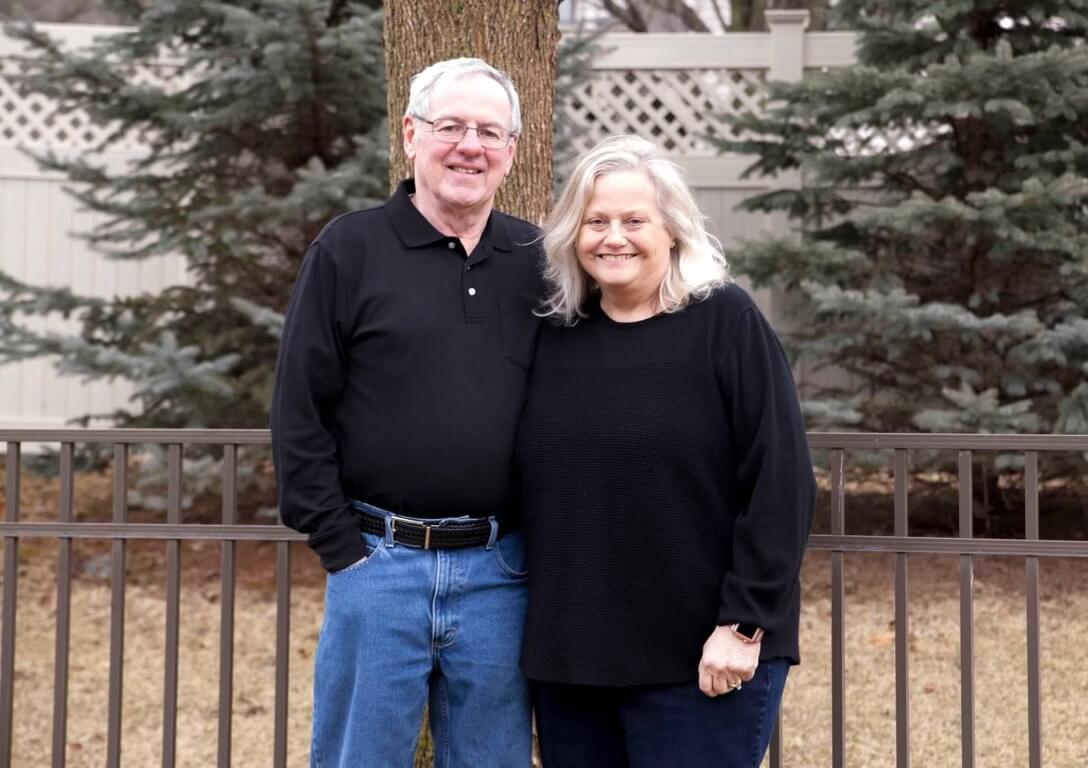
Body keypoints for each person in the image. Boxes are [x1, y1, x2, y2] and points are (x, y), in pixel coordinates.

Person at [271, 57, 542, 768]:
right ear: (411, 135)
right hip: (378, 564)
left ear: (512, 151)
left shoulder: (538, 260)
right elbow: (299, 409)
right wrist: (343, 551)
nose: (469, 146)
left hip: (502, 576)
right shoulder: (350, 249)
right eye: (450, 126)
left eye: (489, 131)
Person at [516, 134, 815, 767]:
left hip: (703, 660)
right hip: (573, 666)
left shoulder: (725, 323)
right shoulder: (555, 335)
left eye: (634, 220)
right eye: (595, 221)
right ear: (573, 233)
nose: (613, 236)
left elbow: (780, 481)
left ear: (673, 231)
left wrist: (743, 626)